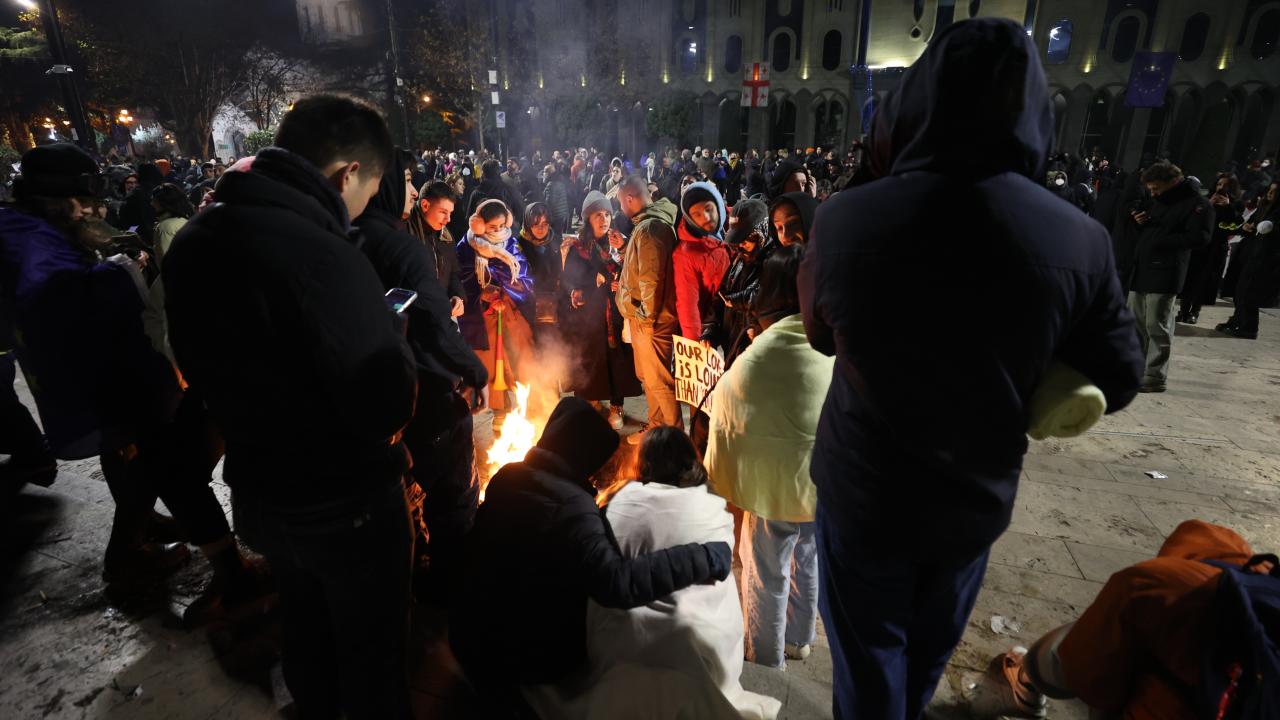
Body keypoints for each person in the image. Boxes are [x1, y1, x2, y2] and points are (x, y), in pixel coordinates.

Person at [797, 20, 1145, 720]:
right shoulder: (1080, 238)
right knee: (924, 653)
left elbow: (820, 336)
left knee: (869, 662)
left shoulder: (845, 220)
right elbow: (1123, 371)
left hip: (867, 492)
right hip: (970, 498)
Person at [164, 96, 418, 720]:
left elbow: (195, 365)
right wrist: (390, 339)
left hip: (261, 492)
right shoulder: (326, 255)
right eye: (376, 187)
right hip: (344, 505)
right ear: (346, 175)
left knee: (305, 630)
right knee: (373, 655)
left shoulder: (196, 239)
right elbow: (384, 400)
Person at [450, 397, 733, 715]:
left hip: (467, 638)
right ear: (585, 456)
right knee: (618, 629)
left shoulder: (507, 476)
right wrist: (703, 556)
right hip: (523, 659)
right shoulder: (573, 507)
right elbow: (618, 583)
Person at [524, 426, 782, 720]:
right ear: (690, 462)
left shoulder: (616, 501)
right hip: (700, 649)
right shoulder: (713, 509)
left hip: (620, 648)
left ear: (642, 462)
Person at [354, 150, 490, 601]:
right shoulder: (397, 244)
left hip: (368, 397)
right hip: (419, 386)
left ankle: (406, 573)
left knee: (399, 491)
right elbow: (430, 319)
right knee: (453, 490)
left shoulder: (339, 238)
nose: (412, 191)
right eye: (407, 181)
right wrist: (472, 369)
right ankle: (454, 581)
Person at [972, 520, 1269, 720]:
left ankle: (1020, 687)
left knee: (1084, 654)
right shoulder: (1265, 584)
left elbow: (1082, 674)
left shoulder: (1169, 585)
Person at [706, 245, 829, 671]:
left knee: (765, 567)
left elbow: (727, 411)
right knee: (808, 558)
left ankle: (765, 652)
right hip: (822, 485)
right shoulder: (831, 338)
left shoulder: (763, 352)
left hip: (772, 486)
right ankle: (800, 639)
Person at [1122, 161, 1213, 393]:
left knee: (1156, 326)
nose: (1152, 193)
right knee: (1136, 325)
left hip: (1165, 272)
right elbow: (1157, 227)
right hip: (1142, 270)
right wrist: (1144, 223)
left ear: (1173, 181)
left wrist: (1159, 240)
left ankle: (1154, 376)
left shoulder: (1198, 205)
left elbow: (1200, 238)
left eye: (1156, 188)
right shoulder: (1160, 202)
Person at [560, 192, 643, 430]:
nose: (603, 219)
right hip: (590, 317)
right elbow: (570, 281)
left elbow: (634, 270)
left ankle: (617, 406)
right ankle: (590, 401)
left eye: (607, 214)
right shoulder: (578, 248)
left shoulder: (619, 243)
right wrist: (583, 289)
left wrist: (621, 282)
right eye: (598, 215)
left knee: (618, 359)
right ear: (588, 219)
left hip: (616, 313)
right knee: (589, 359)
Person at [616, 176, 681, 442]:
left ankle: (677, 443)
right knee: (650, 378)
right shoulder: (648, 225)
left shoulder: (650, 229)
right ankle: (656, 427)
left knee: (660, 382)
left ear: (630, 199)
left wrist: (645, 319)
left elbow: (651, 280)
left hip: (652, 322)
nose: (620, 209)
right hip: (647, 320)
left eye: (621, 203)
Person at [456, 198, 536, 412]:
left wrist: (505, 293)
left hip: (511, 311)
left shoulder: (511, 243)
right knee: (489, 365)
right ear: (478, 224)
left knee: (520, 359)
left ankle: (524, 404)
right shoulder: (466, 246)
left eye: (502, 225)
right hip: (482, 317)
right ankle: (499, 411)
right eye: (492, 227)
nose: (499, 231)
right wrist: (481, 293)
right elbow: (460, 279)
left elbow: (525, 277)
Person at [703, 198, 774, 365]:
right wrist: (710, 331)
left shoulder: (776, 265)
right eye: (736, 241)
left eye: (745, 240)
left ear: (761, 233)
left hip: (757, 359)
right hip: (732, 352)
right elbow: (720, 299)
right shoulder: (738, 261)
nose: (740, 247)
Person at [1178, 174, 1243, 325]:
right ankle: (1183, 311)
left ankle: (1195, 312)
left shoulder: (1236, 205)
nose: (1221, 188)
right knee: (1190, 278)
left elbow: (1236, 226)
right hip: (1198, 245)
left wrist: (1228, 207)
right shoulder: (1205, 199)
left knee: (1204, 281)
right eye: (1219, 184)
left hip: (1216, 247)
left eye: (1225, 185)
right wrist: (1209, 204)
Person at [1217, 181, 1279, 340]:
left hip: (1264, 258)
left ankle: (1249, 327)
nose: (1270, 194)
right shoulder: (1263, 207)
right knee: (1239, 292)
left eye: (1274, 192)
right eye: (1269, 191)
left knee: (1249, 293)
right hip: (1249, 254)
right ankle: (1237, 320)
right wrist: (1247, 228)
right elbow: (1248, 224)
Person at [673, 182, 730, 341]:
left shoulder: (736, 225)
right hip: (710, 328)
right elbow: (687, 305)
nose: (705, 217)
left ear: (718, 205)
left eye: (708, 209)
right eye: (696, 214)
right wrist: (695, 344)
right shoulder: (685, 254)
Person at [408, 180, 466, 320]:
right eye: (443, 212)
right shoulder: (407, 233)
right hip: (418, 318)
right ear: (425, 205)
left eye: (450, 213)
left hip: (443, 312)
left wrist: (457, 296)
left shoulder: (444, 234)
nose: (448, 219)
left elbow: (453, 271)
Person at [516, 201, 563, 342]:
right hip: (528, 305)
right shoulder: (518, 245)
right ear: (527, 223)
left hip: (554, 304)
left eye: (545, 224)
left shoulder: (557, 242)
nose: (541, 229)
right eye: (536, 224)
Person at [468, 159, 526, 231]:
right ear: (499, 172)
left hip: (484, 237)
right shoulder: (509, 190)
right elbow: (521, 212)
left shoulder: (476, 193)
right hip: (506, 235)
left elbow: (470, 219)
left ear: (483, 174)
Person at [150, 183, 195, 263]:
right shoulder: (186, 220)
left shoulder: (165, 227)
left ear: (163, 202)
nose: (152, 204)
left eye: (154, 200)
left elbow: (167, 263)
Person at [544, 162, 572, 233]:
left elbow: (550, 202)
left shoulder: (551, 185)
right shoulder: (560, 181)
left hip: (554, 215)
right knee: (558, 235)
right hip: (561, 213)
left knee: (553, 236)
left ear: (548, 173)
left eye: (544, 172)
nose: (543, 174)